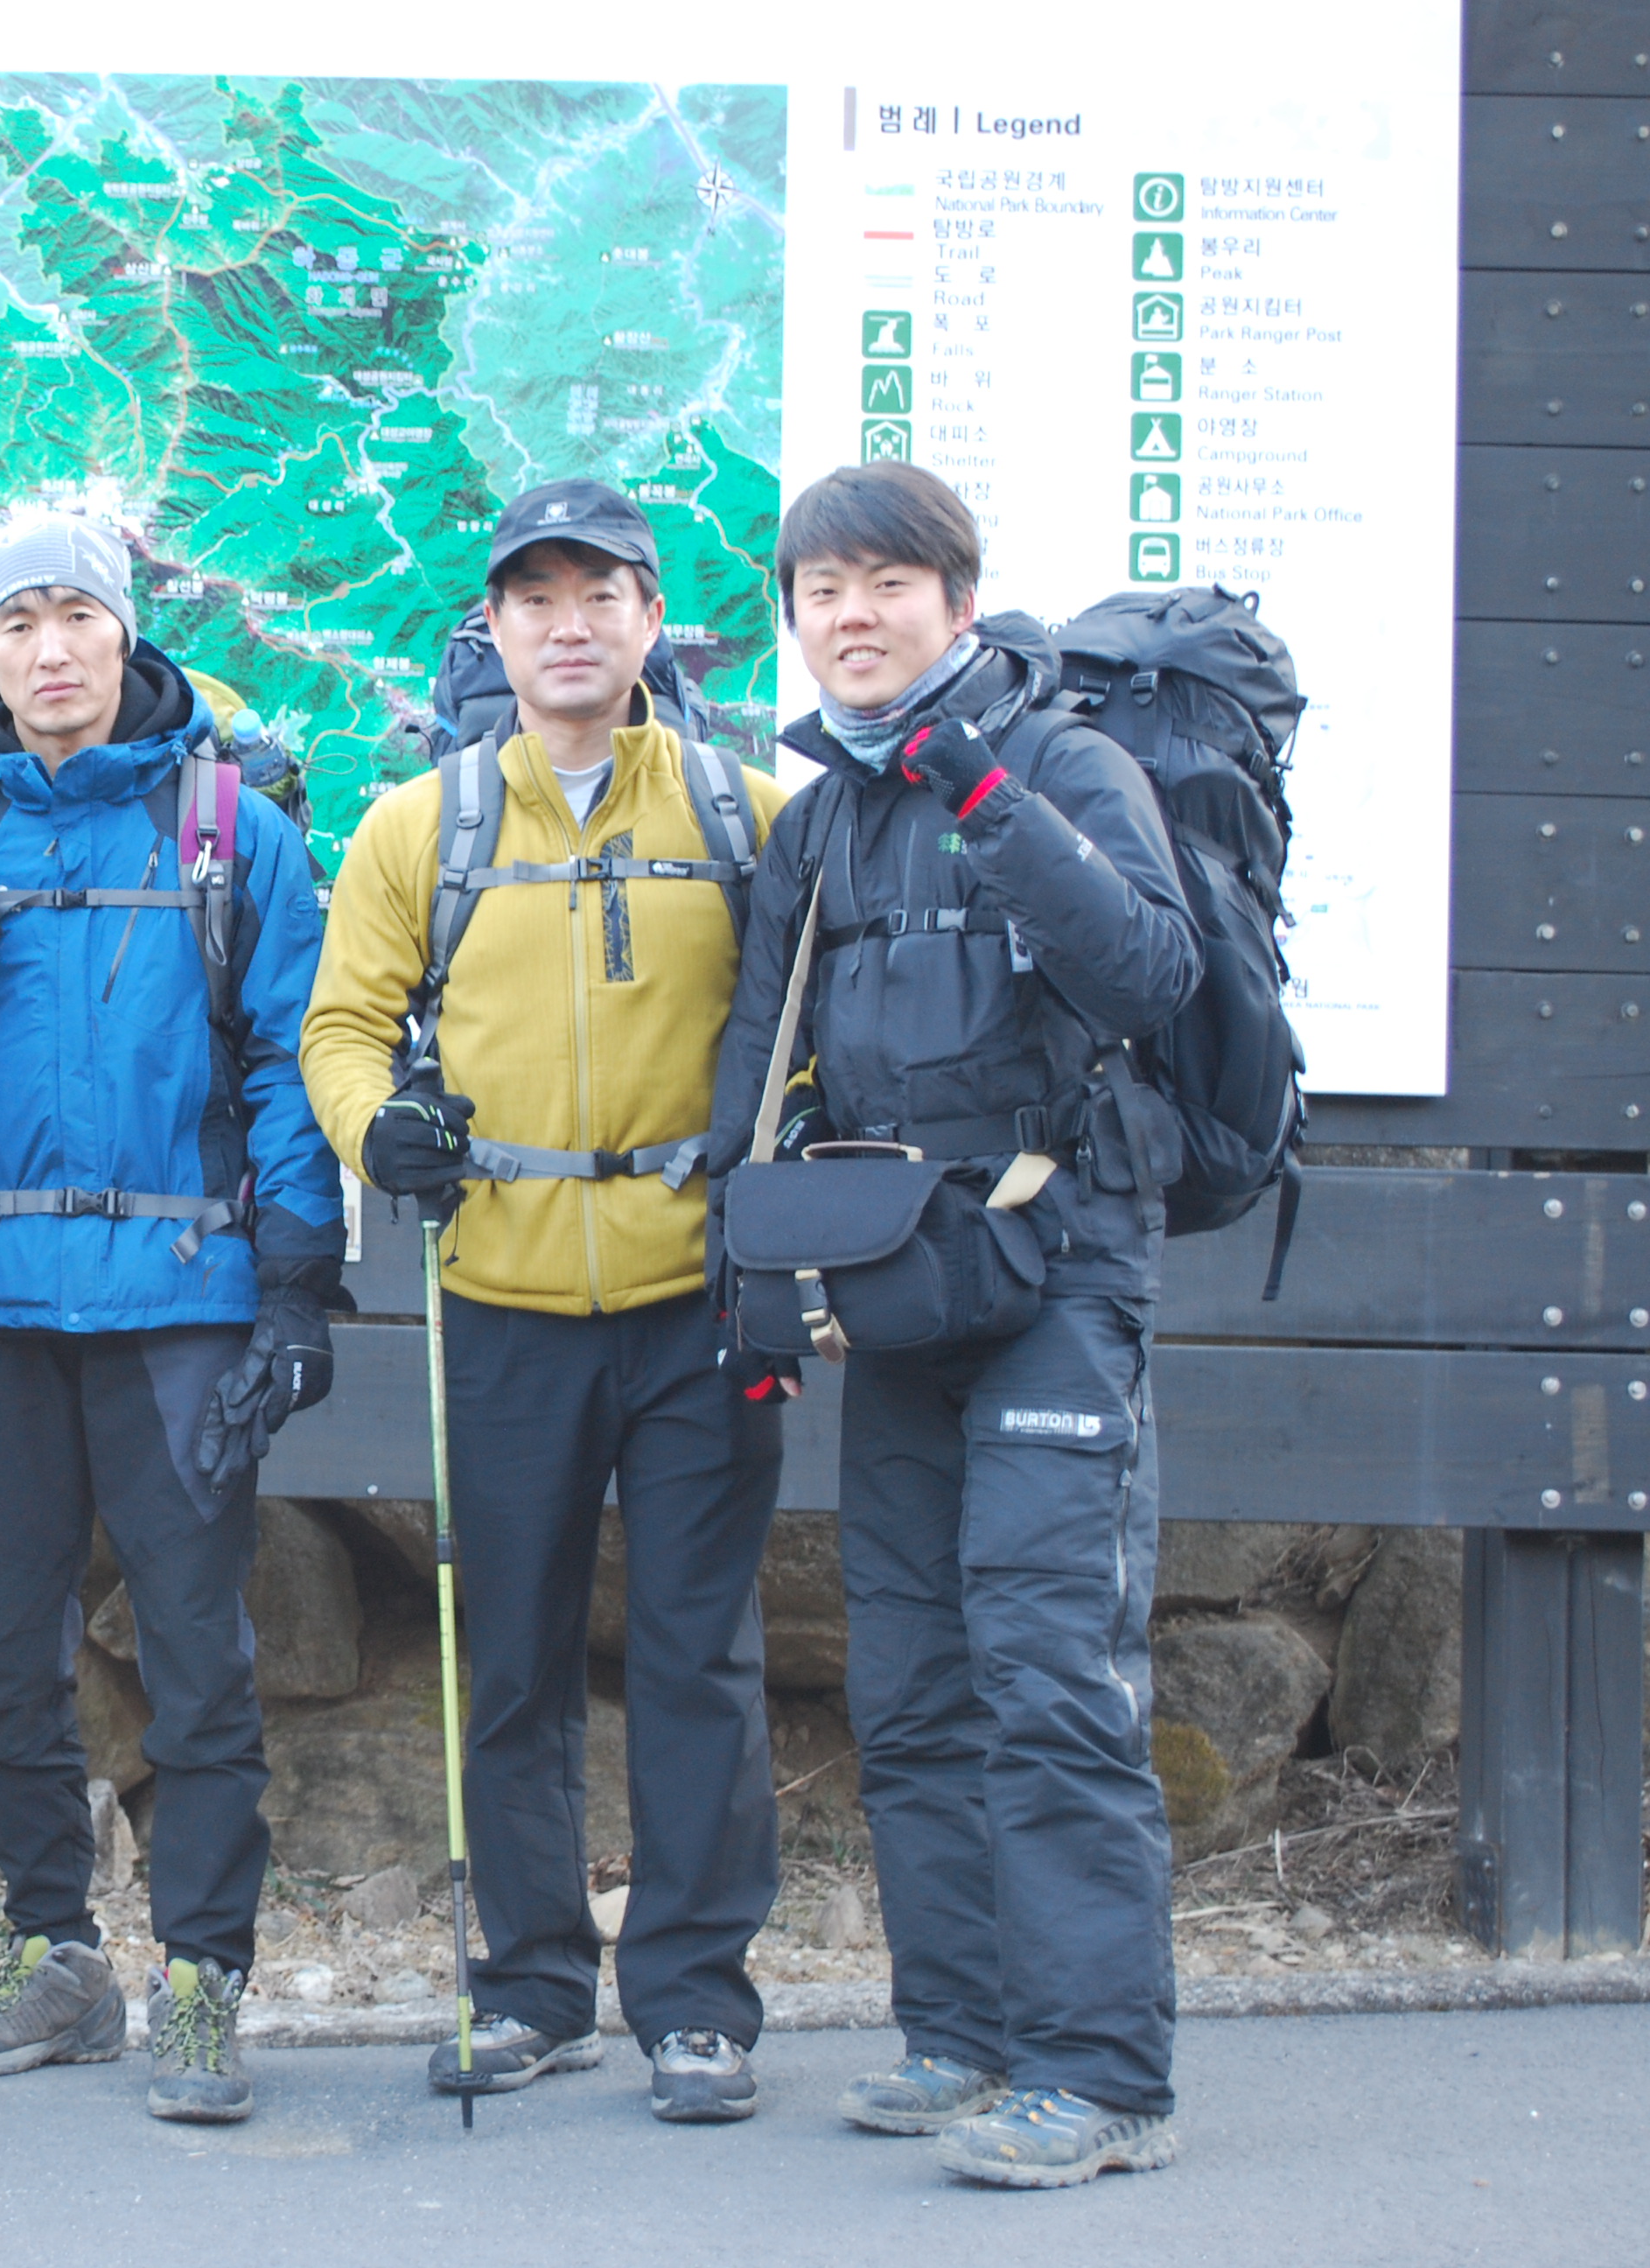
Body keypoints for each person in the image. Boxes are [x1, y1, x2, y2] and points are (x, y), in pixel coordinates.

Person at [704, 461, 1202, 2188]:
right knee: (912, 1679)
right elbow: (759, 1058)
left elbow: (1151, 976)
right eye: (820, 590)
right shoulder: (818, 821)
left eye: (885, 584)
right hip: (902, 1283)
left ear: (958, 601)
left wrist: (984, 792)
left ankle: (1100, 2076)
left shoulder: (1062, 764)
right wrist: (747, 1277)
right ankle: (964, 2036)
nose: (849, 615)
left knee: (1050, 1671)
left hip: (1062, 1271)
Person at [0, 514, 346, 2125]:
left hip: (184, 1295)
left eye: (75, 616)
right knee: (1, 1655)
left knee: (198, 1654)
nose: (48, 650)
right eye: (17, 623)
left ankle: (203, 1978)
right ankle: (55, 1954)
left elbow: (291, 1062)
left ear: (127, 631)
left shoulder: (232, 832)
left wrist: (296, 1283)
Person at [302, 479, 794, 2124]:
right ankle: (530, 1986)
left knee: (698, 1656)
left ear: (653, 620)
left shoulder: (746, 813)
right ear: (495, 627)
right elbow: (342, 1029)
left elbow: (809, 1026)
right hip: (500, 1293)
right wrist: (381, 1132)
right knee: (505, 1652)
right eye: (536, 599)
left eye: (600, 596)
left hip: (696, 1295)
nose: (569, 626)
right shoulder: (419, 827)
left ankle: (697, 2003)